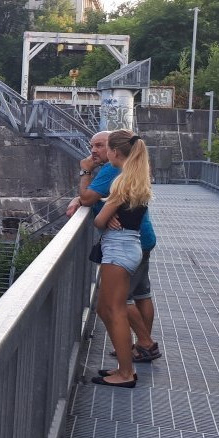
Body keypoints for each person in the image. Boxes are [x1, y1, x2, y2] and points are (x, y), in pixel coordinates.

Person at [67, 132, 160, 364]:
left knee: (118, 304)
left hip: (123, 244)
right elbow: (101, 200)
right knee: (141, 293)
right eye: (91, 145)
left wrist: (85, 173)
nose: (94, 150)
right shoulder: (135, 170)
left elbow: (89, 198)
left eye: (100, 145)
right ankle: (140, 347)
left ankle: (143, 346)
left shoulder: (112, 170)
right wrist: (85, 201)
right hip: (143, 238)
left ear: (114, 150)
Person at [89, 129, 152, 387]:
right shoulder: (137, 179)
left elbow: (100, 220)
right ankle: (124, 367)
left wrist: (104, 210)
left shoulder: (120, 182)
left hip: (118, 249)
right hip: (130, 246)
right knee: (105, 308)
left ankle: (125, 373)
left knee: (114, 311)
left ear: (114, 152)